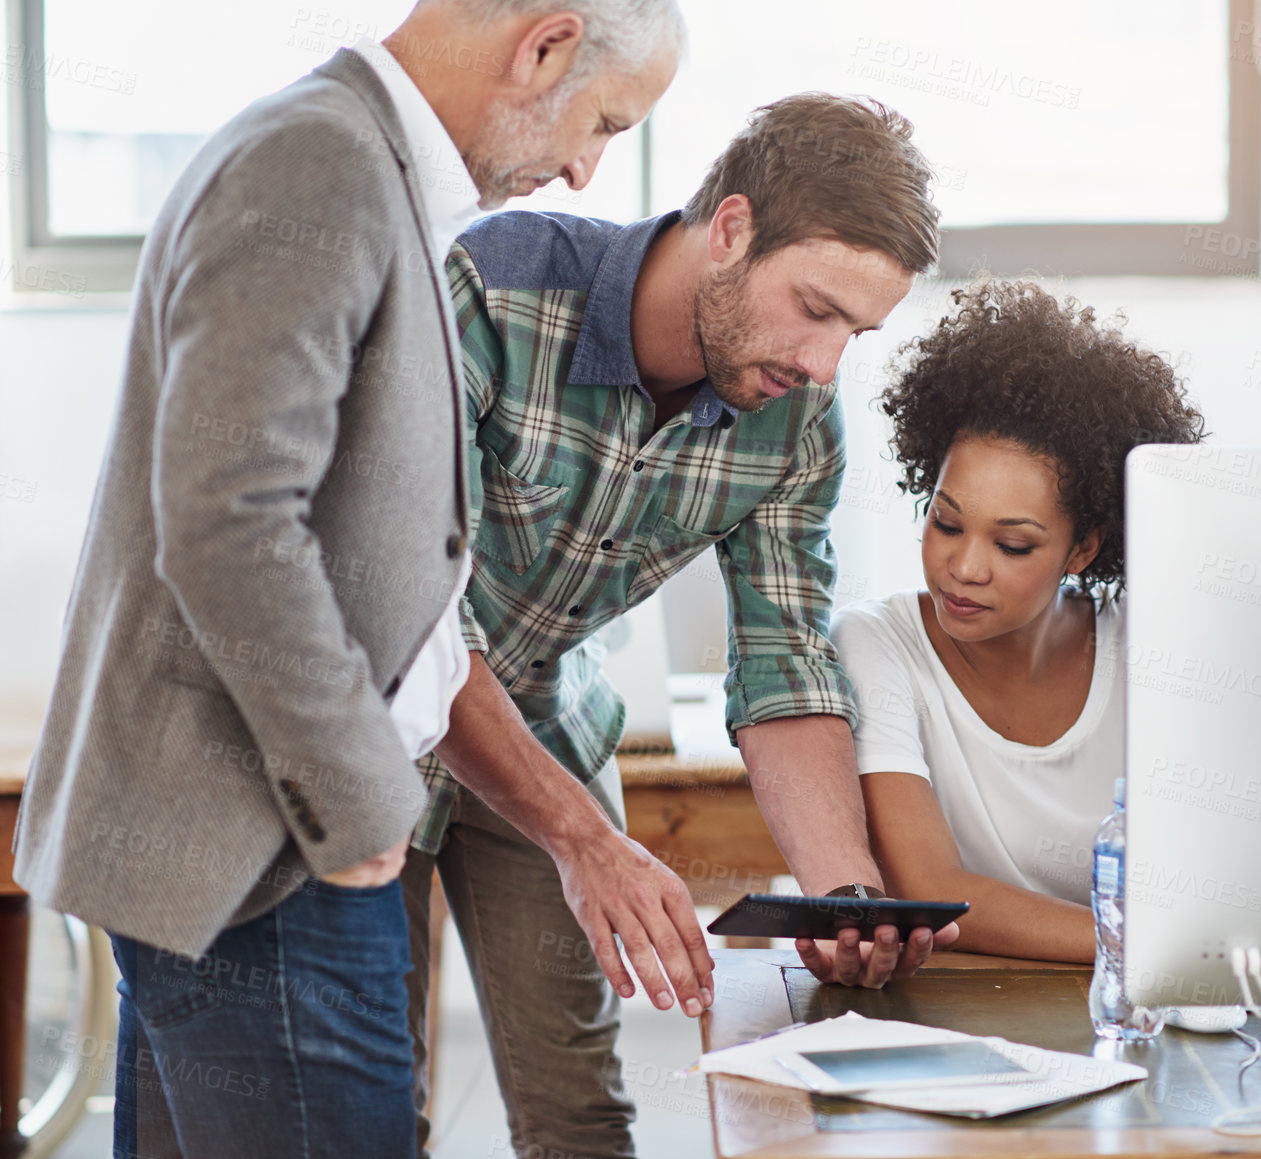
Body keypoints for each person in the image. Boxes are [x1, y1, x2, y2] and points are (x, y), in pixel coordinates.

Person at [11, 2, 682, 1156]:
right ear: (546, 45)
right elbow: (230, 518)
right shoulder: (317, 162)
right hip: (271, 855)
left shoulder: (358, 163)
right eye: (605, 121)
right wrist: (358, 794)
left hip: (253, 851)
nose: (586, 169)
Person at [402, 92, 957, 1158]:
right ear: (733, 228)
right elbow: (412, 616)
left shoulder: (795, 418)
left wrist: (840, 891)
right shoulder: (492, 293)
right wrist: (587, 841)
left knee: (578, 1118)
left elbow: (783, 656)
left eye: (857, 331)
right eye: (815, 308)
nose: (826, 363)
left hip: (543, 722)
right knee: (376, 1109)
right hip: (383, 725)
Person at [830, 280, 1205, 963]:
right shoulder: (875, 643)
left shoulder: (1152, 645)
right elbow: (930, 887)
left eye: (1012, 544)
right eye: (945, 522)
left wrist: (1180, 950)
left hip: (1120, 1014)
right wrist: (1154, 948)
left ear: (1083, 546)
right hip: (967, 1011)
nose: (963, 567)